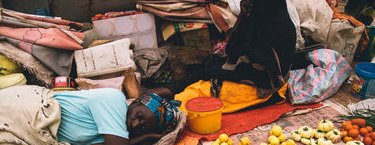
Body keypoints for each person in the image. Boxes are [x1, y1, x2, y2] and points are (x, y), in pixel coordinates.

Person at [124, 0, 297, 112]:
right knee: (206, 69)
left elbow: (265, 70)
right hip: (248, 69)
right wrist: (244, 17)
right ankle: (151, 93)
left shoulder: (281, 29)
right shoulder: (257, 18)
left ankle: (153, 101)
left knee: (197, 95)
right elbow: (235, 48)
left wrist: (224, 69)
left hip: (263, 84)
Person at [0, 84, 179, 145]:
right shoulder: (114, 101)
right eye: (138, 116)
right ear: (135, 102)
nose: (136, 124)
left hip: (36, 132)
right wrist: (148, 137)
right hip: (26, 111)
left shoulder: (120, 132)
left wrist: (144, 138)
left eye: (143, 127)